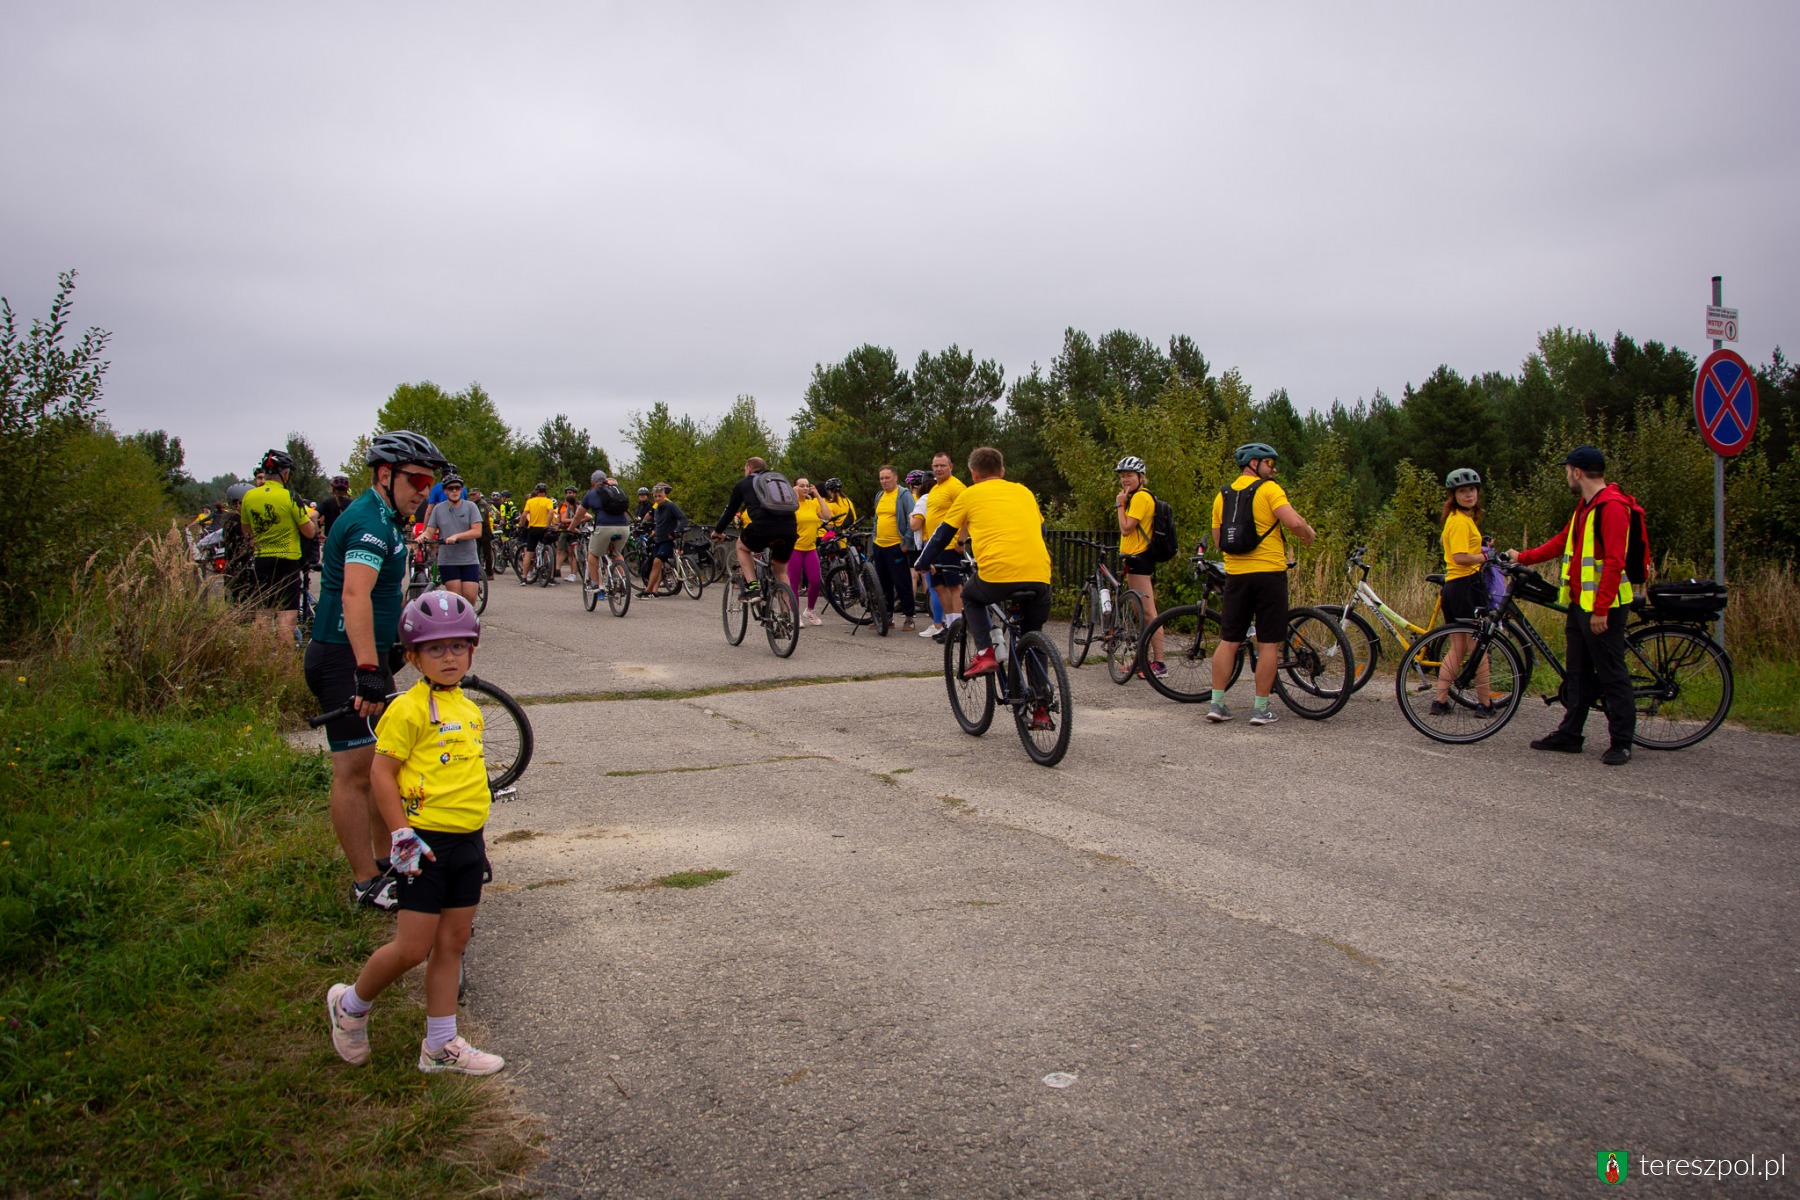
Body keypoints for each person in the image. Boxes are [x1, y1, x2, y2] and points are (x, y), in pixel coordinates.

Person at [325, 589, 505, 1077]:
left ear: (472, 650)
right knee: (412, 947)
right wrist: (400, 834)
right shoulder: (408, 709)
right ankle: (350, 1005)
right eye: (435, 649)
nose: (449, 657)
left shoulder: (469, 709)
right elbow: (382, 775)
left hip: (467, 842)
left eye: (458, 646)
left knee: (453, 941)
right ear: (412, 657)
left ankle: (440, 1045)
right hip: (423, 844)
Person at [305, 429, 447, 910]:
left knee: (383, 764)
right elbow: (354, 595)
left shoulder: (386, 518)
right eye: (416, 480)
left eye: (429, 482)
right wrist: (367, 668)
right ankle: (365, 881)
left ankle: (387, 862)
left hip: (364, 655)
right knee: (356, 772)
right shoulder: (368, 522)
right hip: (342, 656)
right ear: (385, 474)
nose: (423, 491)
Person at [1505, 446, 1637, 765]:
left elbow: (1615, 561)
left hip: (1604, 608)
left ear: (1577, 472)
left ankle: (1622, 742)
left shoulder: (1612, 507)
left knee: (1611, 674)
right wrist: (1523, 557)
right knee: (1577, 673)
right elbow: (1562, 541)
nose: (1567, 476)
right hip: (1580, 604)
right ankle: (1570, 734)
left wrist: (1602, 610)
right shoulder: (1586, 506)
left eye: (1567, 471)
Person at [915, 447, 1053, 725]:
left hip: (997, 575)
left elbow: (942, 535)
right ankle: (1041, 708)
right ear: (1002, 471)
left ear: (974, 474)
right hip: (1039, 575)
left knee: (970, 596)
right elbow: (1042, 531)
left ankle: (985, 653)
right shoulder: (1024, 492)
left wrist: (922, 563)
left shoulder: (969, 494)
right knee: (1033, 635)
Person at [1207, 443, 1316, 727]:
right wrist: (1308, 533)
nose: (1273, 468)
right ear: (1254, 464)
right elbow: (1292, 521)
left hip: (1236, 576)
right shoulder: (1269, 490)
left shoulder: (1223, 495)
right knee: (1268, 643)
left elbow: (1218, 541)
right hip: (1269, 574)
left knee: (1229, 641)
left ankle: (1217, 704)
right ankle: (1260, 709)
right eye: (1269, 462)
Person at [239, 448, 318, 642]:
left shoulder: (249, 496)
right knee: (286, 621)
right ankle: (285, 657)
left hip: (262, 560)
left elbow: (247, 533)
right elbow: (309, 532)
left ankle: (261, 655)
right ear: (285, 474)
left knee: (263, 616)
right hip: (287, 562)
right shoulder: (290, 497)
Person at [1432, 469, 1494, 717]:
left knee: (1458, 647)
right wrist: (1486, 556)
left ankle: (1440, 701)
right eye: (1463, 491)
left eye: (1472, 490)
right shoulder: (1459, 521)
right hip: (1466, 586)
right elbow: (1460, 557)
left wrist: (1481, 546)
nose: (1469, 495)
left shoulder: (1460, 519)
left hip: (1455, 587)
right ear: (1453, 495)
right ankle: (1485, 703)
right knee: (1478, 648)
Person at [713, 457, 798, 595]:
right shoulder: (779, 481)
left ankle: (753, 586)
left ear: (749, 468)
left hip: (763, 528)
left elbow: (731, 511)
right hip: (790, 528)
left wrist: (718, 531)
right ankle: (788, 608)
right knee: (781, 573)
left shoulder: (743, 484)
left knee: (741, 546)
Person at [1115, 456, 1165, 679]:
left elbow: (1126, 528)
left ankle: (1159, 663)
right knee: (1140, 612)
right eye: (1122, 476)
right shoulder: (1135, 497)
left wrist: (1120, 505)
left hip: (1141, 559)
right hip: (1133, 559)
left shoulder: (1142, 498)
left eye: (1129, 475)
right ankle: (1143, 660)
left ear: (1140, 477)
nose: (1125, 479)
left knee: (1148, 612)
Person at [870, 465, 918, 631]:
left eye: (887, 478)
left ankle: (909, 617)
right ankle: (887, 617)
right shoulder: (879, 495)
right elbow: (876, 519)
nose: (884, 481)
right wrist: (874, 537)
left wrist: (905, 543)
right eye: (881, 478)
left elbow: (912, 519)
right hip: (880, 546)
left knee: (902, 582)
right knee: (883, 584)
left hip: (896, 546)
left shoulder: (904, 495)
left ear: (896, 478)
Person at [425, 474, 483, 606]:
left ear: (462, 490)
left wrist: (457, 536)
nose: (454, 491)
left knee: (470, 598)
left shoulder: (471, 507)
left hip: (468, 559)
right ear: (445, 491)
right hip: (448, 560)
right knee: (455, 599)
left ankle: (468, 619)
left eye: (457, 488)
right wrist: (423, 536)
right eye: (451, 488)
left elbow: (477, 531)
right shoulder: (438, 509)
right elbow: (430, 530)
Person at [927, 452, 967, 640]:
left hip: (950, 545)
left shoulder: (956, 487)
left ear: (951, 466)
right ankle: (951, 626)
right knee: (939, 587)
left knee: (954, 586)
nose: (939, 469)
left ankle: (958, 628)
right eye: (935, 466)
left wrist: (961, 541)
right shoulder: (935, 488)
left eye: (942, 465)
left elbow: (967, 514)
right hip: (934, 547)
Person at [786, 477, 834, 625]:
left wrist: (818, 495)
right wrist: (793, 496)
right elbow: (787, 516)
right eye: (801, 486)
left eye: (807, 486)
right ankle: (795, 614)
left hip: (810, 548)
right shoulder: (790, 504)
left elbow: (828, 516)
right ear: (795, 487)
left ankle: (809, 610)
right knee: (794, 583)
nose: (805, 488)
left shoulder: (812, 504)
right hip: (795, 548)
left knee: (815, 581)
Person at [906, 470, 947, 637]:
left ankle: (938, 624)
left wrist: (911, 517)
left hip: (929, 543)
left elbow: (915, 525)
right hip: (948, 543)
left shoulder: (924, 499)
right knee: (951, 586)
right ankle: (953, 621)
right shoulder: (944, 497)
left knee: (935, 587)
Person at [579, 471, 632, 597]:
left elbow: (578, 515)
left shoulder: (592, 494)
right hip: (624, 527)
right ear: (606, 480)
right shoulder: (615, 492)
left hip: (604, 527)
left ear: (592, 482)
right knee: (616, 554)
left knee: (593, 554)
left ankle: (595, 584)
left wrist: (571, 527)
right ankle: (624, 580)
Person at [643, 484, 686, 597]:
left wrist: (676, 531)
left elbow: (683, 519)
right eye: (655, 496)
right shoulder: (657, 508)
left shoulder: (670, 506)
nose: (658, 498)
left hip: (668, 540)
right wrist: (653, 533)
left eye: (660, 496)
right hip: (658, 539)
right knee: (656, 565)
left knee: (657, 562)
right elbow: (659, 524)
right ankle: (654, 590)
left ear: (665, 496)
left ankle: (647, 590)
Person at [517, 483, 554, 585]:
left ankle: (524, 578)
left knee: (529, 553)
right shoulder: (548, 501)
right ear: (545, 492)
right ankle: (550, 578)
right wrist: (548, 524)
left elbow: (524, 515)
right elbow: (551, 512)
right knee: (548, 550)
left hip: (533, 528)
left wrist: (522, 525)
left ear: (537, 492)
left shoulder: (530, 501)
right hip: (543, 528)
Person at [317, 475, 355, 539]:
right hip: (348, 540)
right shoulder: (354, 504)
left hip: (330, 540)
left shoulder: (326, 503)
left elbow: (312, 517)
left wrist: (318, 533)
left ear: (333, 489)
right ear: (347, 490)